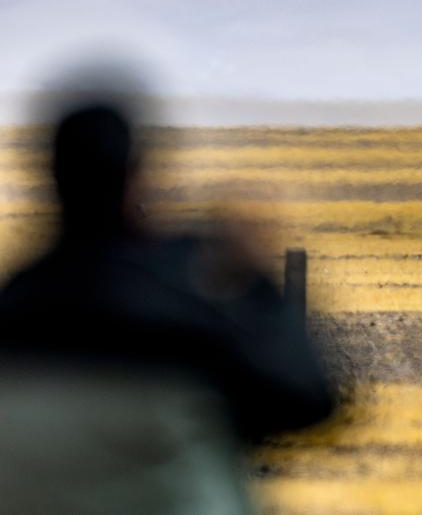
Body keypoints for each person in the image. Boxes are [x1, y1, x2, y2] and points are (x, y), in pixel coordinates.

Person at [0, 100, 334, 514]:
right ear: (134, 180)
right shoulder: (176, 319)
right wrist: (258, 284)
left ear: (51, 175)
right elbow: (307, 399)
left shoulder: (15, 308)